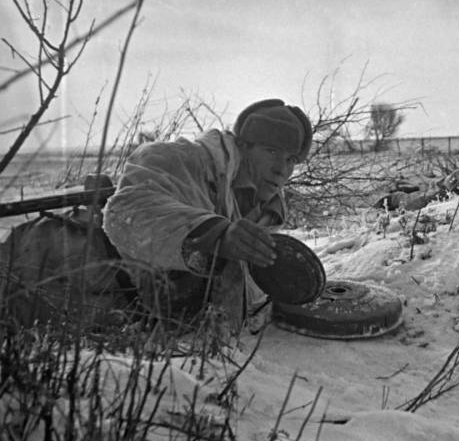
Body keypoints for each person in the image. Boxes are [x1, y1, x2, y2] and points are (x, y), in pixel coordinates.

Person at [102, 99, 312, 332]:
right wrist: (215, 234)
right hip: (125, 313)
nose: (281, 169)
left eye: (291, 160)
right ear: (244, 145)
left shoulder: (266, 208)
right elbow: (126, 210)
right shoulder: (183, 159)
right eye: (272, 151)